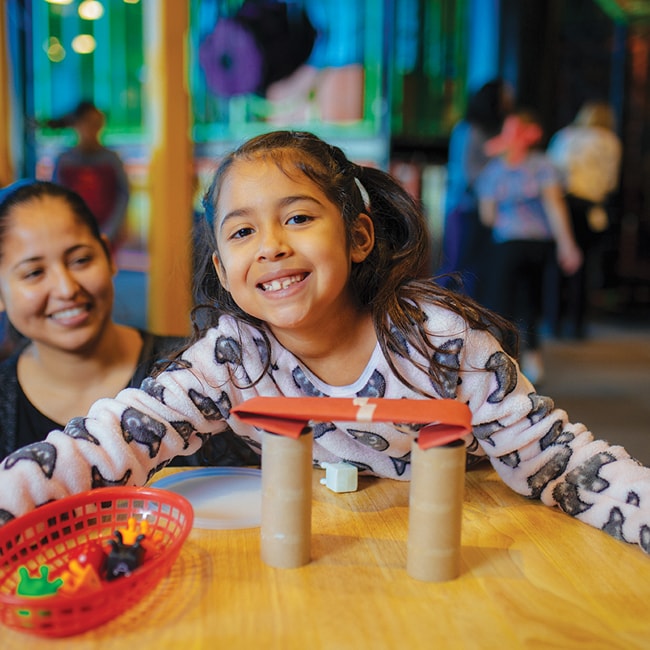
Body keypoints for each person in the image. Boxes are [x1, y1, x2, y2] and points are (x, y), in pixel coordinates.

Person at [0, 131, 648, 557]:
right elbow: (116, 438)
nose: (273, 245)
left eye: (299, 217)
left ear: (359, 237)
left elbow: (558, 461)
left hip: (461, 536)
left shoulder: (437, 342)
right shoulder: (233, 356)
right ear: (224, 272)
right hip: (332, 548)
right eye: (243, 232)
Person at [0, 180, 255, 466]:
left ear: (108, 257)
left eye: (81, 260)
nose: (66, 288)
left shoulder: (199, 373)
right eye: (34, 272)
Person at [475, 111, 583, 384]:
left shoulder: (494, 170)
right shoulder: (544, 166)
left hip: (506, 243)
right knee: (531, 302)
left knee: (501, 306)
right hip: (539, 245)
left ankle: (506, 363)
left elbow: (487, 215)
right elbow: (555, 206)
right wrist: (567, 244)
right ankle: (534, 359)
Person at [546, 101, 623, 339]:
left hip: (563, 202)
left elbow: (549, 172)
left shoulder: (564, 136)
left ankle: (553, 320)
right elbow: (611, 181)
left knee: (557, 264)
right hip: (590, 206)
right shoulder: (610, 141)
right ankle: (577, 324)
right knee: (584, 266)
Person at [438, 79, 514, 298]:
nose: (510, 100)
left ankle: (467, 319)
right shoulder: (469, 129)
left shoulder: (499, 129)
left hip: (488, 209)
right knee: (457, 263)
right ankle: (431, 311)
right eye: (506, 95)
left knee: (477, 268)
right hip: (465, 206)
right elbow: (467, 173)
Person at [47, 101, 130, 249]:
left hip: (107, 232)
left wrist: (111, 230)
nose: (92, 130)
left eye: (97, 124)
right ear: (76, 125)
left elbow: (123, 195)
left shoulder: (111, 159)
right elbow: (57, 198)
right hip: (73, 232)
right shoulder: (64, 161)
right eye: (88, 123)